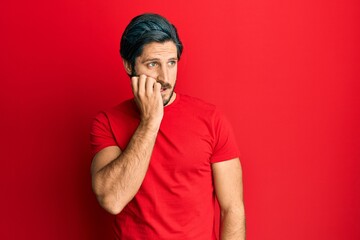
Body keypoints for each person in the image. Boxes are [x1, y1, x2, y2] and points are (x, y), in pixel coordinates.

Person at [90, 13, 245, 240]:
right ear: (128, 65)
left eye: (171, 63)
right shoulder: (106, 123)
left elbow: (232, 208)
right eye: (153, 64)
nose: (165, 77)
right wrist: (150, 121)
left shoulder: (212, 119)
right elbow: (112, 200)